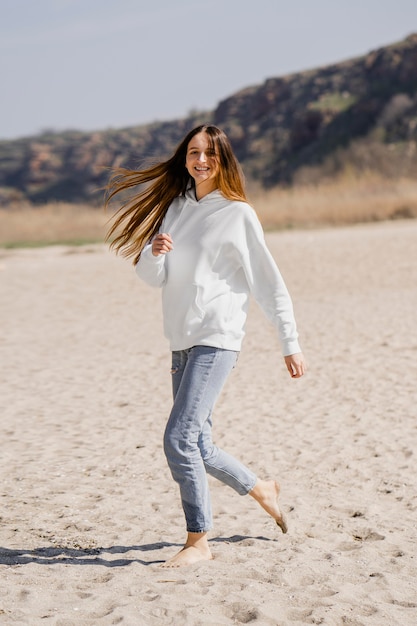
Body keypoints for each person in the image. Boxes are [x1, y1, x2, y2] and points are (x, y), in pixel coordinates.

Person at [105, 124, 306, 568]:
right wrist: (153, 252)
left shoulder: (238, 213)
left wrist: (289, 342)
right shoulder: (175, 208)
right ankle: (262, 488)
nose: (200, 160)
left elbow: (269, 285)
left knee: (178, 438)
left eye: (209, 154)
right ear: (184, 157)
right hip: (180, 339)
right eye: (193, 152)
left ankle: (198, 541)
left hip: (217, 338)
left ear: (223, 160)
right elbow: (152, 277)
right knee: (198, 443)